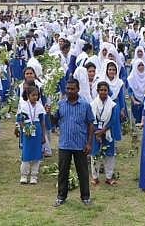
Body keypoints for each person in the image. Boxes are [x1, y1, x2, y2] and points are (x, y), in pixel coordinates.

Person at [53, 79, 94, 207]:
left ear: (78, 89)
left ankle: (85, 197)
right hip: (64, 143)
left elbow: (90, 124)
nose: (69, 91)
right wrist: (49, 113)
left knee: (82, 172)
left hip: (80, 144)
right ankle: (61, 196)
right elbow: (54, 121)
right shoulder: (60, 104)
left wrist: (88, 143)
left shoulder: (85, 105)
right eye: (68, 89)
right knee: (63, 172)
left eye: (72, 89)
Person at [90, 82, 119, 186]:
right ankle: (95, 177)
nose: (103, 92)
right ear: (97, 91)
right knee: (95, 154)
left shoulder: (113, 105)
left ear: (108, 91)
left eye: (105, 90)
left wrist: (102, 131)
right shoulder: (93, 104)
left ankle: (109, 177)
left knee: (109, 155)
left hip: (108, 132)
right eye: (101, 90)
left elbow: (113, 120)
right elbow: (91, 119)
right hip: (95, 131)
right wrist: (96, 133)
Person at [17, 85, 46, 185]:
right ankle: (24, 175)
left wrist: (43, 135)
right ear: (28, 95)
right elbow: (20, 120)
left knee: (37, 153)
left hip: (37, 130)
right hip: (27, 130)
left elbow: (42, 121)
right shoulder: (24, 106)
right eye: (33, 95)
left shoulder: (40, 106)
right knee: (26, 153)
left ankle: (34, 175)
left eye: (37, 95)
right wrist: (24, 129)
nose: (35, 97)